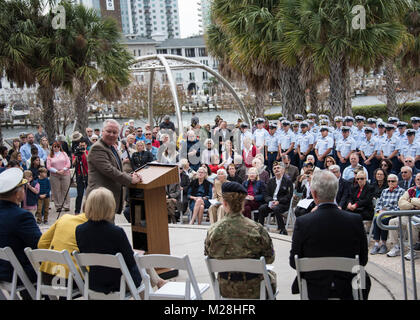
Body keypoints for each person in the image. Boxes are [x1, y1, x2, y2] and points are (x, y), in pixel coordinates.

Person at [289, 170, 370, 300]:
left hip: (315, 288)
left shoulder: (303, 222)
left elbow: (294, 262)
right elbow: (363, 260)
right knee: (365, 279)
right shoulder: (355, 220)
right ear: (336, 192)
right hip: (347, 287)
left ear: (314, 194)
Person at [204, 181, 276, 299]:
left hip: (225, 288)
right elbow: (270, 258)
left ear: (224, 203)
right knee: (271, 277)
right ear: (243, 203)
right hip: (254, 288)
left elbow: (208, 255)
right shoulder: (257, 229)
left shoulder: (213, 230)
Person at [75, 188, 143, 294]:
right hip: (119, 283)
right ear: (110, 206)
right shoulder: (116, 232)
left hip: (94, 283)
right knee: (143, 267)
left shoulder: (79, 230)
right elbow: (130, 262)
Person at [0, 168, 42, 297]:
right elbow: (39, 244)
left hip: (3, 268)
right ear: (17, 193)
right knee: (58, 268)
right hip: (16, 272)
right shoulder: (22, 216)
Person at [87, 119, 142, 215]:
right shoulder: (97, 148)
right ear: (102, 131)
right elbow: (109, 170)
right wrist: (130, 179)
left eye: (115, 132)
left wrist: (130, 175)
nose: (111, 135)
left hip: (109, 199)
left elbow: (117, 169)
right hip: (99, 200)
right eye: (108, 131)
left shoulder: (112, 147)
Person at [387, 173, 420, 259]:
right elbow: (401, 204)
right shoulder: (411, 190)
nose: (419, 181)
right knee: (392, 222)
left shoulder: (410, 194)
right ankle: (396, 247)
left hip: (418, 218)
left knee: (411, 224)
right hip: (409, 215)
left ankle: (411, 250)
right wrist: (414, 205)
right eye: (417, 179)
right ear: (415, 180)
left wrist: (410, 200)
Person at [370, 174, 405, 255]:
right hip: (382, 213)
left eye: (392, 181)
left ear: (397, 182)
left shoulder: (401, 191)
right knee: (376, 219)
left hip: (393, 214)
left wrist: (387, 211)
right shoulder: (384, 191)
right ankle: (376, 244)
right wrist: (379, 210)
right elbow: (379, 204)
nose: (390, 183)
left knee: (384, 220)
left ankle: (383, 244)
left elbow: (399, 206)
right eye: (388, 181)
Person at [257, 162, 293, 234]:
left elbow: (289, 195)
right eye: (274, 168)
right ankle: (260, 228)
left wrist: (279, 201)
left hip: (282, 203)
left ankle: (282, 229)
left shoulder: (287, 181)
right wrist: (270, 201)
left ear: (283, 170)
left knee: (276, 208)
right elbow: (266, 194)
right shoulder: (271, 181)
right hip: (272, 202)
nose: (276, 170)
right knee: (261, 208)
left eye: (278, 168)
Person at [47, 141, 71, 212]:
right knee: (56, 190)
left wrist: (63, 170)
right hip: (54, 175)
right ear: (52, 148)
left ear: (60, 147)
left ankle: (66, 205)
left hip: (65, 173)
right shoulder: (50, 156)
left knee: (65, 189)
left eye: (58, 146)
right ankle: (58, 206)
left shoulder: (64, 154)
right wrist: (56, 171)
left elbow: (68, 163)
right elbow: (48, 166)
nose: (56, 148)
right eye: (55, 146)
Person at [72, 140, 89, 215]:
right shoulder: (77, 153)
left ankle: (89, 209)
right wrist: (76, 157)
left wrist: (84, 153)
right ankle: (77, 211)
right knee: (80, 194)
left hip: (87, 175)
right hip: (79, 175)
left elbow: (89, 161)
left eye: (83, 145)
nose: (82, 147)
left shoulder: (88, 152)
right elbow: (73, 163)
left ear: (86, 146)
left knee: (89, 193)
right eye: (81, 146)